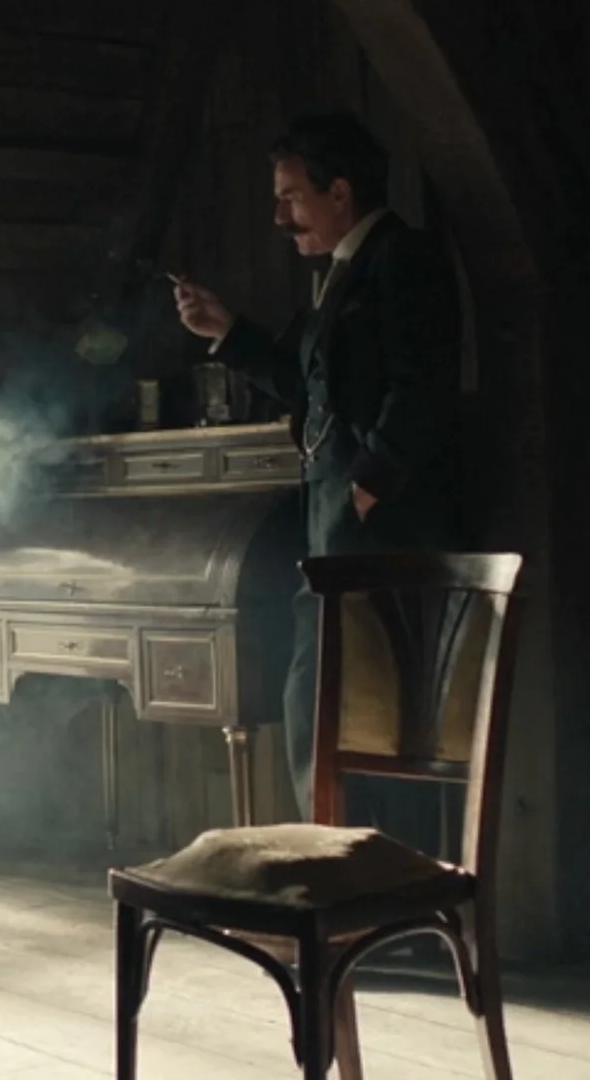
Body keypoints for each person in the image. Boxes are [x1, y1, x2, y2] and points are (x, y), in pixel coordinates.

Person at [173, 111, 469, 817]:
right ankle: (335, 875)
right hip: (334, 528)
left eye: (291, 196)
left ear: (340, 192)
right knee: (322, 703)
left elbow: (422, 380)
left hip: (379, 532)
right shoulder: (343, 272)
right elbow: (318, 387)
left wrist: (372, 480)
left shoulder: (401, 258)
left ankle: (365, 887)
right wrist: (230, 334)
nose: (279, 217)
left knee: (370, 714)